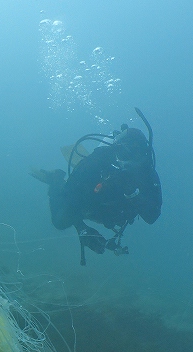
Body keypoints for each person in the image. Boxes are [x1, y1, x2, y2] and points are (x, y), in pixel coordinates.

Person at [31, 108, 162, 265]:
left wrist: (132, 193)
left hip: (111, 213)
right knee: (60, 222)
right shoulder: (100, 159)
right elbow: (70, 194)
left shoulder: (147, 175)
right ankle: (56, 179)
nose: (128, 161)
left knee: (67, 217)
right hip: (88, 202)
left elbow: (152, 216)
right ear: (116, 149)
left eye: (135, 154)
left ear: (144, 154)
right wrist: (82, 228)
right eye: (124, 153)